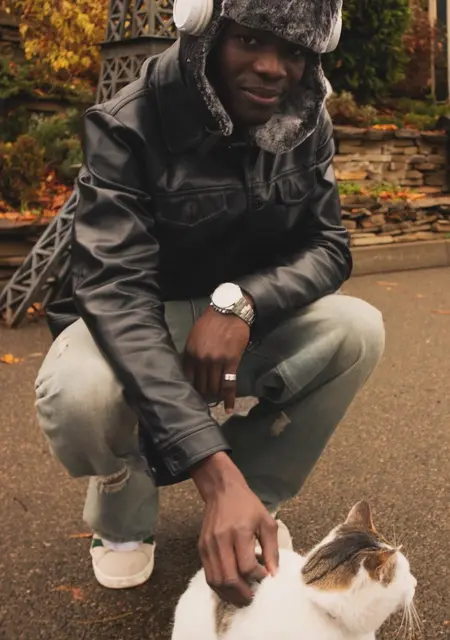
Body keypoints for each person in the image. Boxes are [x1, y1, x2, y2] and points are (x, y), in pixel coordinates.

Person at [35, 0, 385, 607]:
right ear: (203, 29)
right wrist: (210, 472)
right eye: (249, 40)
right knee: (80, 394)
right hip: (138, 317)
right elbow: (116, 292)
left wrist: (241, 303)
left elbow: (328, 245)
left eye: (294, 51)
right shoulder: (126, 123)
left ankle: (255, 497)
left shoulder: (306, 121)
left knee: (358, 330)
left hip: (238, 320)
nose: (273, 67)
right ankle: (123, 509)